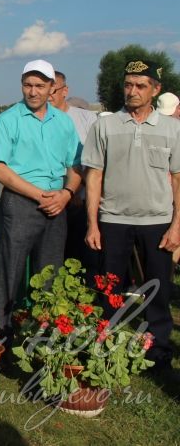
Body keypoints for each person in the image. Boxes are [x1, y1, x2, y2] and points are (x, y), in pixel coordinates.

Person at [83, 59, 180, 374]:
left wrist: (177, 226)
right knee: (109, 288)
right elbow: (94, 176)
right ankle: (107, 346)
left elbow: (178, 179)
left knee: (159, 289)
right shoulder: (105, 126)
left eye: (140, 85)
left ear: (155, 89)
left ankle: (159, 351)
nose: (132, 91)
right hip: (113, 220)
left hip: (157, 221)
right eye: (128, 85)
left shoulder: (173, 128)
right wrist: (93, 223)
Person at [0, 60, 81, 341]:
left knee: (50, 274)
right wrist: (39, 194)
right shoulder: (7, 120)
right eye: (28, 85)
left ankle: (44, 338)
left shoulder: (64, 122)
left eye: (40, 85)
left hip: (57, 205)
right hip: (21, 204)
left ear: (53, 88)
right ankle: (1, 336)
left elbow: (76, 166)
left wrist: (66, 194)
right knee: (10, 271)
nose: (33, 91)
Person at [48, 70, 98, 266]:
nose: (48, 96)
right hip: (51, 196)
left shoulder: (87, 119)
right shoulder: (40, 119)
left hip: (82, 198)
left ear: (64, 91)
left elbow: (94, 160)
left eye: (54, 91)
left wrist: (75, 191)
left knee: (82, 255)